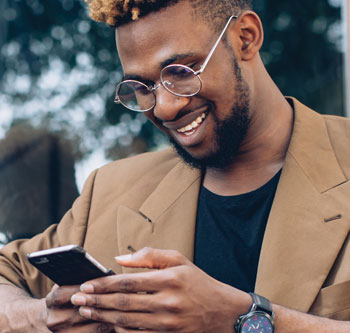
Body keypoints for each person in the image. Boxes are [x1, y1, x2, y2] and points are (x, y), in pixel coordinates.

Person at [0, 0, 349, 332]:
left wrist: (243, 319)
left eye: (180, 71)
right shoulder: (111, 191)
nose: (165, 108)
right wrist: (40, 318)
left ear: (246, 38)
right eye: (142, 86)